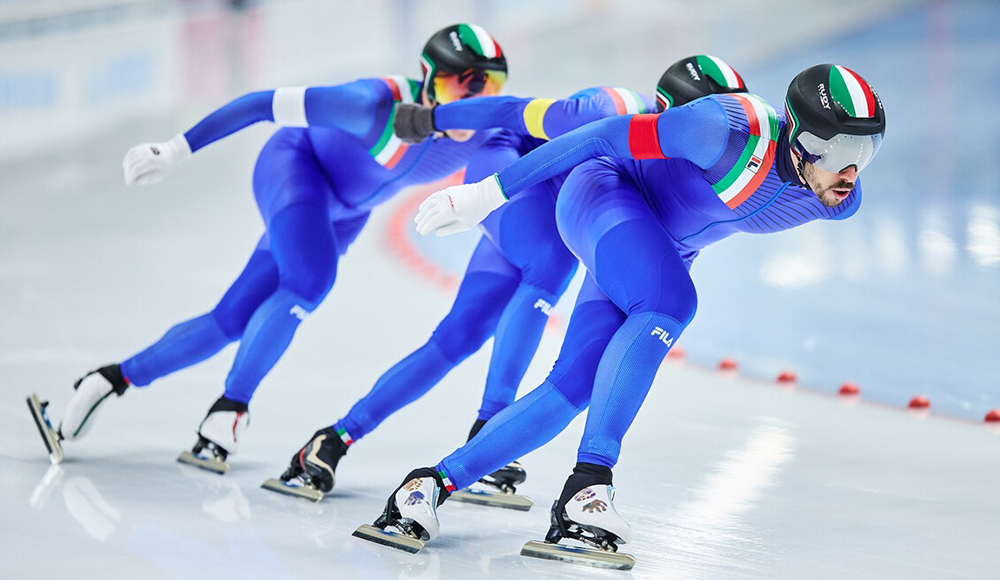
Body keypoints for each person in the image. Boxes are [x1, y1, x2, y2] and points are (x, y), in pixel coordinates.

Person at [360, 63, 885, 569]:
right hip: (603, 193)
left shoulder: (837, 198)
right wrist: (486, 193)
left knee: (573, 386)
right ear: (798, 136)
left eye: (867, 150)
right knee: (671, 303)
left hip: (648, 246)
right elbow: (599, 137)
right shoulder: (724, 129)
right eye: (839, 149)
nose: (851, 169)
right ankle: (588, 486)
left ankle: (428, 484)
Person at [26, 23, 510, 473]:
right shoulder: (368, 104)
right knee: (309, 282)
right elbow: (261, 102)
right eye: (458, 86)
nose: (472, 103)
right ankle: (230, 409)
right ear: (428, 80)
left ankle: (109, 380)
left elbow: (555, 125)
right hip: (296, 169)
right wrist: (175, 149)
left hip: (344, 213)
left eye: (487, 89)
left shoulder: (487, 127)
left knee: (231, 319)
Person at [269, 56, 747, 505]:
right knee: (550, 263)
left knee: (458, 337)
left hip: (538, 205)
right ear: (675, 115)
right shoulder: (611, 110)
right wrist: (432, 120)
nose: (729, 143)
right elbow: (511, 110)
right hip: (510, 172)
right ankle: (487, 424)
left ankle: (332, 439)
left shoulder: (698, 154)